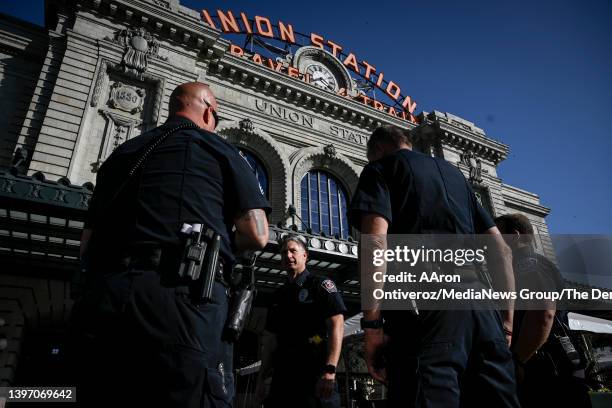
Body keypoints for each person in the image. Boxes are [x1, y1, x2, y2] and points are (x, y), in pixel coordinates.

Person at [71, 82, 271, 407]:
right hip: (183, 297)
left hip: (104, 296)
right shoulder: (219, 148)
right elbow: (257, 234)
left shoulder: (122, 154)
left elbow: (87, 242)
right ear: (209, 111)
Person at [348, 125, 520, 407]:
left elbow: (376, 244)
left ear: (378, 150)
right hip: (483, 310)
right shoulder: (456, 177)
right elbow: (501, 251)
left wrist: (372, 324)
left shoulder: (381, 169)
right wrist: (507, 323)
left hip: (425, 311)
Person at [495, 213, 591, 408]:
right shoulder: (537, 264)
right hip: (557, 363)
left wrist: (518, 360)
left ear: (515, 236)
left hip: (548, 367)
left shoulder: (526, 264)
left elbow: (544, 312)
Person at [255, 235, 347, 408]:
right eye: (283, 253)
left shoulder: (320, 286)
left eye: (293, 251)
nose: (288, 255)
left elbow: (337, 325)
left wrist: (330, 371)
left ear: (305, 256)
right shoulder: (278, 296)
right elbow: (270, 341)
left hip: (314, 374)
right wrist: (261, 379)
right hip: (283, 378)